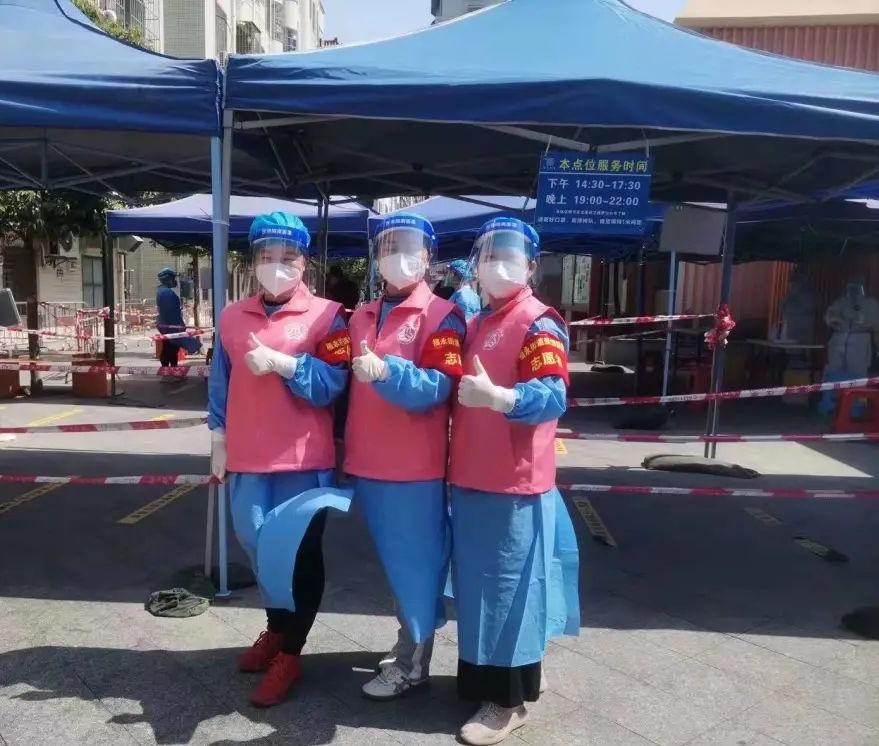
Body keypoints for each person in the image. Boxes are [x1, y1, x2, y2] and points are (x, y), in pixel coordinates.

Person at [207, 212, 350, 707]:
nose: (277, 265)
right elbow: (220, 382)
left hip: (302, 462)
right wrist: (218, 437)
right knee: (260, 550)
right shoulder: (231, 316)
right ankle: (275, 627)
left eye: (288, 256)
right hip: (248, 458)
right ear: (252, 261)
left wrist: (287, 365)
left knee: (299, 556)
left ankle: (291, 651)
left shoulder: (329, 316)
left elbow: (335, 383)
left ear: (305, 262)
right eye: (266, 256)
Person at [448, 217, 580, 746]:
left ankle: (508, 701)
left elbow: (552, 395)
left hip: (512, 481)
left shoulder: (537, 322)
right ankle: (496, 679)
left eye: (509, 256)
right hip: (472, 475)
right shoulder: (479, 319)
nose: (497, 265)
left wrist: (503, 398)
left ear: (530, 266)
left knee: (509, 590)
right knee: (479, 588)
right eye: (489, 255)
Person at [345, 214, 465, 700]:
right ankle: (407, 647)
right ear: (376, 258)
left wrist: (388, 371)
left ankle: (413, 665)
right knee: (397, 568)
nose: (398, 257)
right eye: (388, 247)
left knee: (415, 569)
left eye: (409, 247)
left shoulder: (442, 315)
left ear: (428, 257)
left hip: (414, 468)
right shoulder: (360, 316)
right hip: (367, 461)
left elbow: (438, 387)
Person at [824, 276, 879, 377]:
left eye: (857, 286)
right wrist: (835, 321)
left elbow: (875, 325)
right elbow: (829, 317)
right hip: (839, 339)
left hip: (860, 340)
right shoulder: (841, 302)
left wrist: (861, 322)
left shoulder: (871, 303)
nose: (854, 289)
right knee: (834, 371)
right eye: (851, 286)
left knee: (857, 373)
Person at [155, 268, 200, 369]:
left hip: (168, 326)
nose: (175, 281)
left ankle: (170, 371)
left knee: (170, 349)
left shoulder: (163, 292)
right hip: (172, 327)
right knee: (170, 350)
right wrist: (178, 326)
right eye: (173, 278)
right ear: (168, 279)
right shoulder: (167, 293)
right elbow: (171, 313)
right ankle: (169, 371)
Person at [779, 270, 816, 343]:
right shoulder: (806, 293)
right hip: (796, 328)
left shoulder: (805, 294)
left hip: (797, 328)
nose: (789, 286)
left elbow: (786, 308)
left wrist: (784, 304)